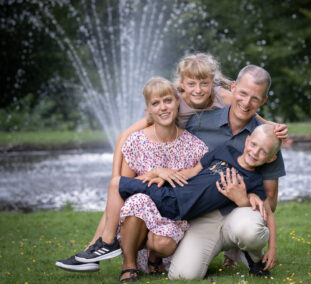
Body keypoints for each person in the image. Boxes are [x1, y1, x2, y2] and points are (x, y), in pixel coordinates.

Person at [76, 124, 280, 282]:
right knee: (116, 183)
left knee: (117, 183)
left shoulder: (253, 181)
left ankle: (111, 243)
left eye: (263, 151)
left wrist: (272, 248)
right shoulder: (225, 151)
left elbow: (268, 213)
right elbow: (193, 171)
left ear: (270, 159)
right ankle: (108, 240)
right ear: (247, 141)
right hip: (171, 192)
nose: (255, 152)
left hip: (177, 207)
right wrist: (164, 177)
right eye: (254, 145)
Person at [55, 77, 208, 274]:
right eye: (156, 103)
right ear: (148, 110)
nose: (163, 107)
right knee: (138, 200)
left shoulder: (195, 146)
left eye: (168, 100)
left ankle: (154, 258)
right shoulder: (136, 141)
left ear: (177, 102)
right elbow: (123, 189)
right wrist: (153, 173)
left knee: (162, 242)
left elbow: (195, 192)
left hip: (171, 222)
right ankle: (128, 265)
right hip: (136, 225)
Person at [167, 64, 286, 280]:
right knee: (182, 276)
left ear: (263, 101)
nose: (246, 102)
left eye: (255, 98)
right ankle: (213, 251)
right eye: (242, 93)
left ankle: (251, 253)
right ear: (233, 88)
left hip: (241, 215)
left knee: (249, 231)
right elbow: (183, 165)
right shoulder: (200, 122)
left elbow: (272, 202)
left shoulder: (266, 141)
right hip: (204, 216)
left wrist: (244, 200)